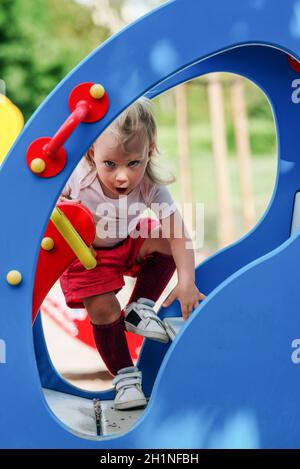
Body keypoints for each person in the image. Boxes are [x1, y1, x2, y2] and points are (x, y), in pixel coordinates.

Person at [58, 98, 205, 410]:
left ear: (148, 152)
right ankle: (125, 378)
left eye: (133, 163)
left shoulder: (150, 184)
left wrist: (187, 281)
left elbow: (179, 234)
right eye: (110, 164)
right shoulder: (76, 178)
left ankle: (140, 308)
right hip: (86, 255)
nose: (122, 177)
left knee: (165, 236)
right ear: (91, 154)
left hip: (126, 243)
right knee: (103, 309)